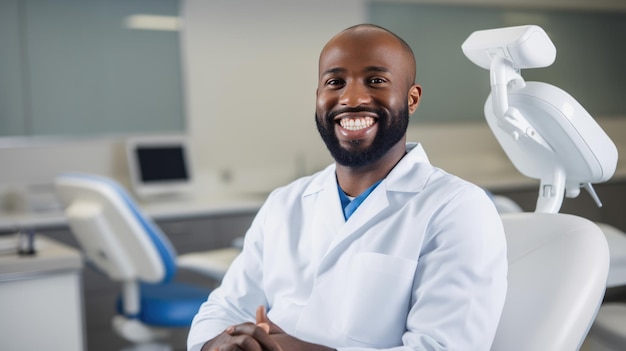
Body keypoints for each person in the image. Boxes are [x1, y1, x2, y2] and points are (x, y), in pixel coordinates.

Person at [187, 23, 507, 351]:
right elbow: (223, 309)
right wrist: (221, 345)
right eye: (335, 82)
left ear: (411, 100)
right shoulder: (285, 203)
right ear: (318, 98)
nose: (351, 98)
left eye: (376, 80)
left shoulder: (457, 208)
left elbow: (444, 347)